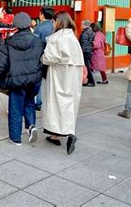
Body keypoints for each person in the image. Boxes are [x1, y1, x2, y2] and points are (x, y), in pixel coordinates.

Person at [0, 12, 45, 146]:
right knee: (29, 102)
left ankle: (16, 138)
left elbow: (0, 64)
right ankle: (31, 126)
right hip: (33, 80)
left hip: (16, 80)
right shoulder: (39, 42)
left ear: (16, 26)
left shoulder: (9, 42)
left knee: (15, 108)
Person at [41, 11, 84, 155]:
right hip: (73, 75)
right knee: (69, 103)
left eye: (53, 22)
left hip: (58, 75)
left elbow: (49, 58)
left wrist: (41, 58)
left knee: (56, 103)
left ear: (57, 21)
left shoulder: (56, 38)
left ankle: (63, 133)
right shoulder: (73, 37)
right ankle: (63, 133)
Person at [33, 6, 55, 111]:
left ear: (42, 15)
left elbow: (35, 44)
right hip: (54, 57)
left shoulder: (39, 28)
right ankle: (52, 103)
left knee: (38, 81)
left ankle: (38, 102)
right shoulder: (55, 27)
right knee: (52, 81)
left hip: (41, 57)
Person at [79, 20, 95, 87]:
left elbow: (83, 43)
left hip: (85, 51)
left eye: (81, 24)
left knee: (87, 67)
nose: (81, 26)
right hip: (89, 51)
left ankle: (91, 81)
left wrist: (81, 51)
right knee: (87, 66)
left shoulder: (85, 33)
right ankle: (87, 80)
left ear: (84, 25)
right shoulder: (91, 32)